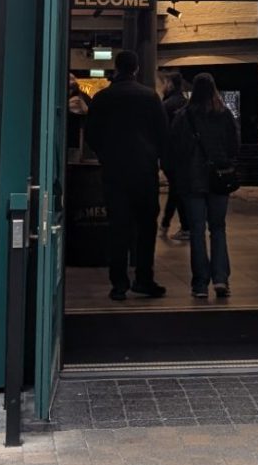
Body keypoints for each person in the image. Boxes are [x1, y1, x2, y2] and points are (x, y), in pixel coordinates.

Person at [85, 50, 168, 302]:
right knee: (146, 227)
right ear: (137, 68)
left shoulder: (102, 98)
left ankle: (118, 283)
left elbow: (91, 134)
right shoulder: (150, 97)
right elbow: (162, 134)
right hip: (144, 171)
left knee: (118, 228)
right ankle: (144, 277)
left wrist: (105, 155)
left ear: (116, 68)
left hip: (114, 172)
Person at [167, 71, 240, 301]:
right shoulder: (225, 115)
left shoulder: (183, 116)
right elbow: (234, 147)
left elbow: (174, 150)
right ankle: (221, 278)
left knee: (197, 232)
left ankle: (200, 283)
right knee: (218, 229)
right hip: (218, 179)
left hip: (192, 182)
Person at [158, 70, 189, 239]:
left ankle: (179, 226)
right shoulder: (185, 103)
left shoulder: (167, 105)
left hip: (170, 154)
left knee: (177, 191)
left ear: (170, 84)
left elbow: (162, 131)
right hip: (184, 155)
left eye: (164, 83)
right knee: (177, 190)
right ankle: (172, 224)